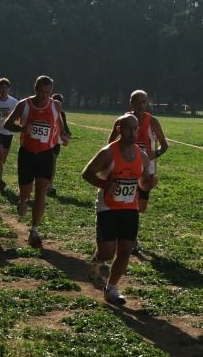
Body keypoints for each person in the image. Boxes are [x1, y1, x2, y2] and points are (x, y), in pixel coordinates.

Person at [83, 114, 157, 304]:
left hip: (130, 207)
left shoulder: (141, 156)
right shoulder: (108, 152)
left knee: (125, 249)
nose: (132, 132)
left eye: (135, 128)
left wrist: (150, 184)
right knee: (108, 251)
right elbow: (87, 173)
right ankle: (97, 260)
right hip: (107, 206)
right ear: (119, 130)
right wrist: (105, 184)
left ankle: (111, 288)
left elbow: (143, 185)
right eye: (127, 128)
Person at [3, 75, 69, 246]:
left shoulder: (55, 105)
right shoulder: (24, 104)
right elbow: (7, 124)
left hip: (46, 153)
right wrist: (22, 128)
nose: (44, 96)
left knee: (41, 189)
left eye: (48, 92)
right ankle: (24, 200)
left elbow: (59, 122)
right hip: (27, 153)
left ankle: (34, 231)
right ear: (35, 89)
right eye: (41, 92)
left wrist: (62, 134)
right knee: (26, 191)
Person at [108, 90, 168, 254]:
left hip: (146, 169)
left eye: (144, 102)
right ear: (131, 103)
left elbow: (165, 145)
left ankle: (127, 235)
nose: (141, 105)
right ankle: (130, 239)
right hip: (126, 167)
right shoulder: (122, 120)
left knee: (141, 207)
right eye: (138, 102)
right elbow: (110, 142)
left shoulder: (152, 121)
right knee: (129, 202)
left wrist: (156, 154)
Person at [46, 93, 71, 195]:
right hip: (46, 141)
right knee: (45, 162)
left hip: (56, 141)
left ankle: (50, 185)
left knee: (52, 161)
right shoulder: (47, 111)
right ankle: (42, 183)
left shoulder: (62, 113)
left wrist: (67, 134)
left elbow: (64, 126)